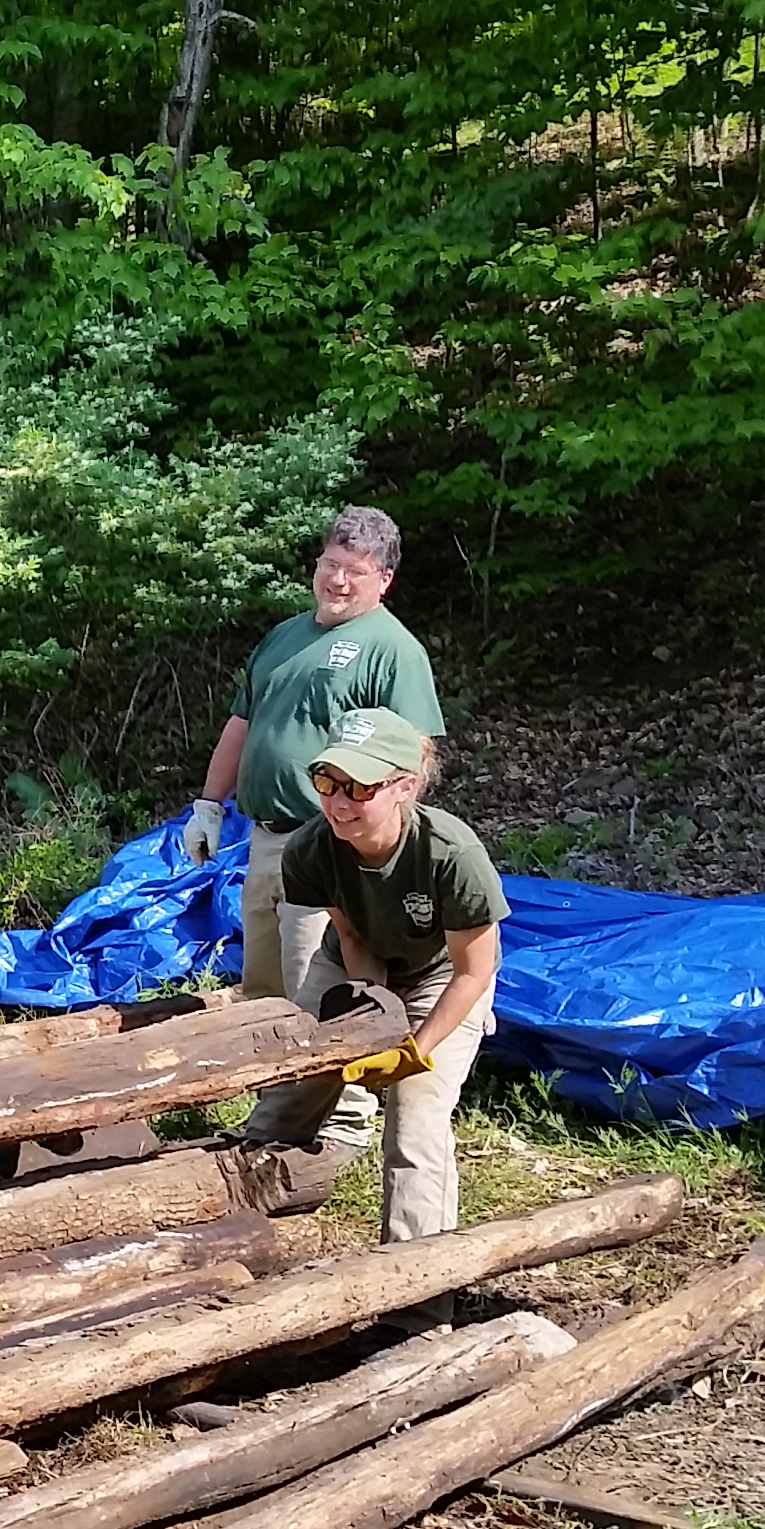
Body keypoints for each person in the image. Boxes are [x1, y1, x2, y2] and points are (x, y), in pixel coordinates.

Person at [179, 505, 443, 1184]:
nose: (338, 581)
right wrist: (210, 803)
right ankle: (277, 1113)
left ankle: (343, 1120)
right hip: (265, 839)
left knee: (320, 989)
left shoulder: (392, 649)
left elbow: (413, 752)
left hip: (328, 838)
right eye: (330, 565)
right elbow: (245, 723)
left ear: (383, 580)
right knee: (264, 986)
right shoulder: (284, 637)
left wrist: (378, 839)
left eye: (355, 572)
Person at [242, 707, 505, 1241]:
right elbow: (352, 938)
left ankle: (418, 1289)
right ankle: (233, 1219)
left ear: (404, 787)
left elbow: (473, 973)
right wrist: (371, 1017)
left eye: (359, 788)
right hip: (352, 962)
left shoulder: (451, 855)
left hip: (443, 977)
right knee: (293, 1087)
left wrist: (414, 1048)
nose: (339, 803)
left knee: (415, 1116)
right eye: (327, 782)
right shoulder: (310, 850)